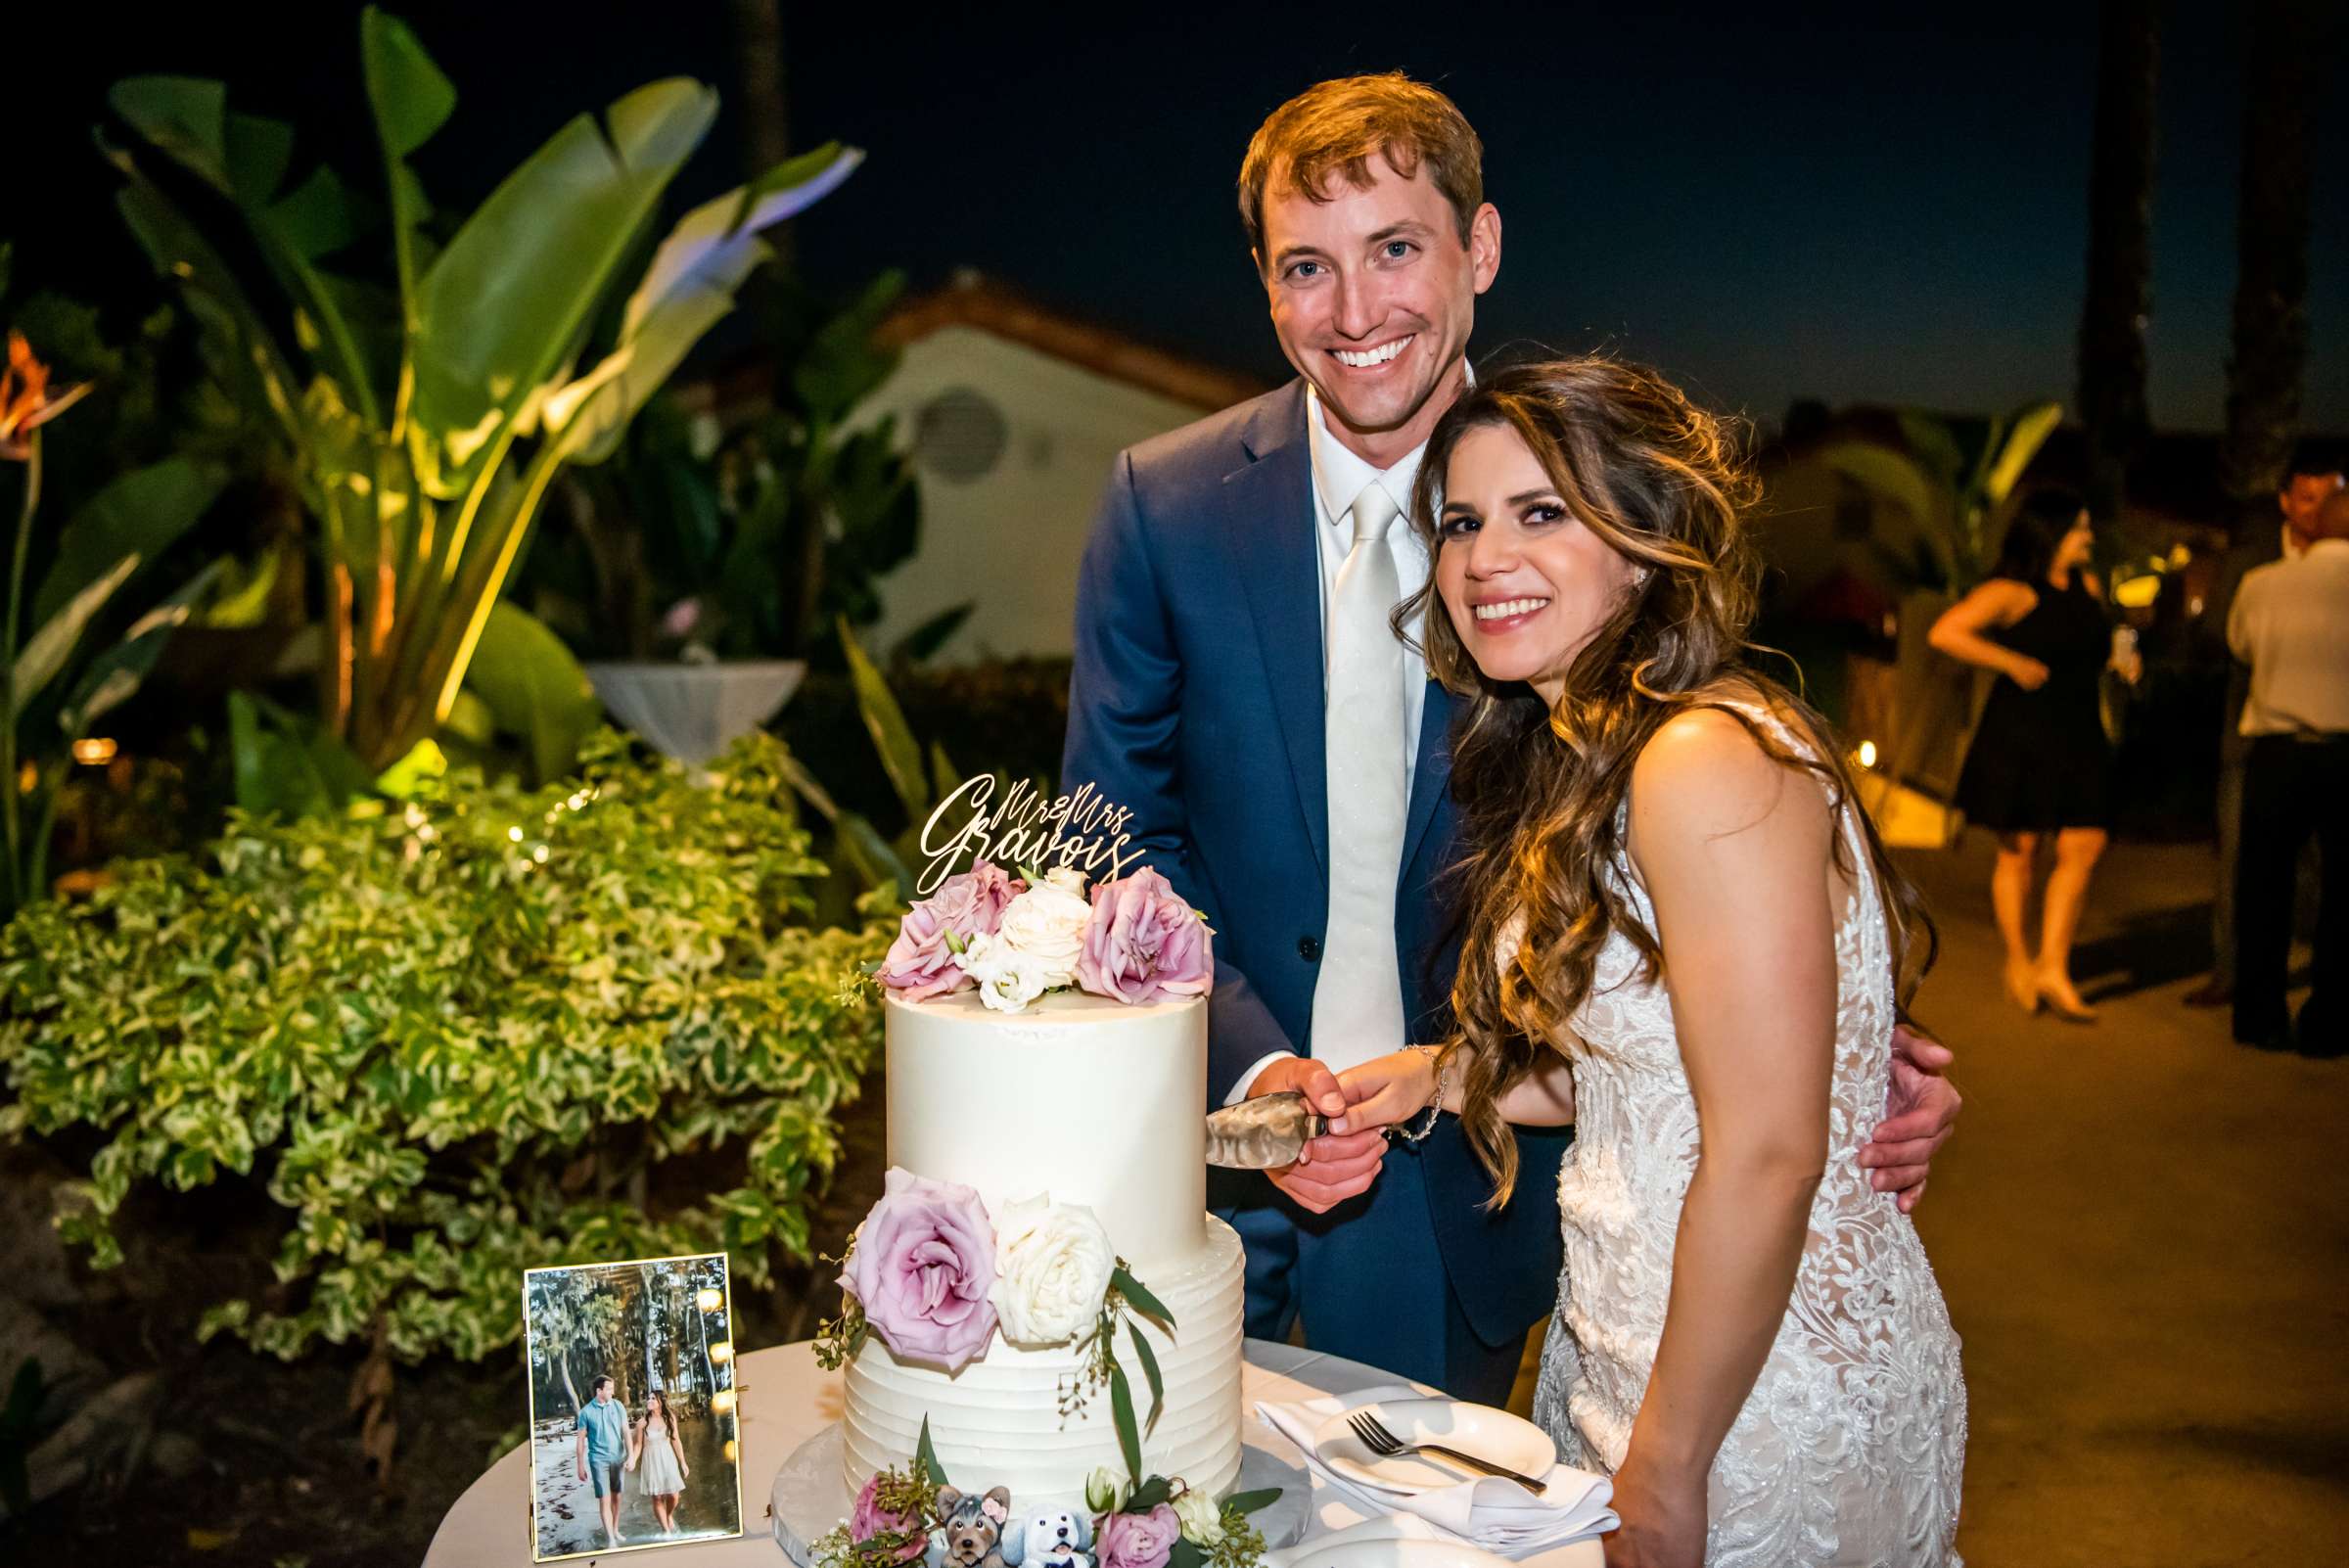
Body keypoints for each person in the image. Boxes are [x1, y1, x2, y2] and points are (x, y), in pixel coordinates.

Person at [1061, 72, 1960, 1404]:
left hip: (1467, 1181)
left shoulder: (1577, 511)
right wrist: (1252, 1061)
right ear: (1263, 282)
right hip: (1202, 1143)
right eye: (1307, 266)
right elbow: (1116, 829)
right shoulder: (1165, 500)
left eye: (1397, 249)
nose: (1355, 312)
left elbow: (1703, 758)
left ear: (1479, 248)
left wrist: (1848, 1042)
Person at [1337, 358, 1965, 1565]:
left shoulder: (1701, 759)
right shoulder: (1598, 758)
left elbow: (1773, 1151)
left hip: (1753, 1396)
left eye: (1542, 512)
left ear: (1642, 540)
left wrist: (1669, 1465)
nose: (1480, 558)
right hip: (1635, 1342)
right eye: (1462, 521)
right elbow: (1640, 1076)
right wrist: (1432, 1075)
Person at [1929, 491, 2140, 1022]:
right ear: (2051, 534)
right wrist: (2009, 661)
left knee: (2084, 842)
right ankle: (2019, 961)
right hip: (2021, 733)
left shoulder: (2089, 587)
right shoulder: (2012, 591)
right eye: (2079, 528)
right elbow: (1945, 632)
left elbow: (2104, 641)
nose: (2088, 537)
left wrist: (2123, 664)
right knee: (2019, 853)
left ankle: (2054, 965)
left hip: (2079, 730)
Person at [2184, 447, 2344, 1008]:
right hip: (2253, 736)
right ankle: (2232, 971)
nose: (2314, 511)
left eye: (2328, 500)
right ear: (2284, 501)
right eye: (2305, 498)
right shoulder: (2249, 563)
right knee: (2238, 861)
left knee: (2324, 867)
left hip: (2330, 739)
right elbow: (2215, 639)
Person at [2226, 484, 2349, 1056]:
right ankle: (2330, 1024)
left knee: (2263, 889)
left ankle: (2258, 1017)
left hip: (2276, 751)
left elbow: (2242, 648)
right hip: (2346, 752)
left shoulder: (2261, 584)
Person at [573, 1374, 630, 1549]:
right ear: (599, 1391)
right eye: (609, 1389)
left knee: (617, 1497)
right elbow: (581, 1440)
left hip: (618, 1458)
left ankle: (615, 1528)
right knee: (605, 1499)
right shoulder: (586, 1412)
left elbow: (626, 1431)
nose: (613, 1392)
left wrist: (632, 1456)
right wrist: (580, 1465)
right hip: (598, 1461)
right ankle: (611, 1538)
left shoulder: (618, 1406)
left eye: (613, 1389)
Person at [628, 1388, 691, 1537]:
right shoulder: (642, 1423)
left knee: (674, 1495)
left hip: (668, 1458)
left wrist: (682, 1462)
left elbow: (676, 1441)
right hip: (651, 1460)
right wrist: (633, 1460)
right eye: (648, 1398)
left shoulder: (669, 1418)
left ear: (660, 1402)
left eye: (653, 1399)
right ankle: (666, 1530)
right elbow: (638, 1445)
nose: (649, 1401)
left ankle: (668, 1515)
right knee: (657, 1497)